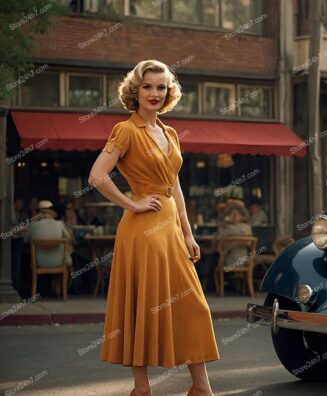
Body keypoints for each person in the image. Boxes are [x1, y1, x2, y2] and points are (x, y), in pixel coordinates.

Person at [88, 60, 218, 396]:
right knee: (143, 305)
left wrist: (188, 233)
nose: (154, 93)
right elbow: (97, 176)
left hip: (171, 229)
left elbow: (175, 187)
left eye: (161, 87)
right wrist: (132, 203)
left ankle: (201, 388)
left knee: (193, 304)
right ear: (136, 90)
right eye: (147, 86)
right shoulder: (125, 130)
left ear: (168, 91)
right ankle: (142, 389)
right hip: (142, 230)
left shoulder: (171, 133)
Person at [23, 200, 73, 297]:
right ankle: (59, 289)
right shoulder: (59, 224)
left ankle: (44, 289)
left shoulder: (33, 225)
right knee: (68, 261)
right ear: (52, 213)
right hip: (59, 262)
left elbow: (25, 240)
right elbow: (69, 239)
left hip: (39, 262)